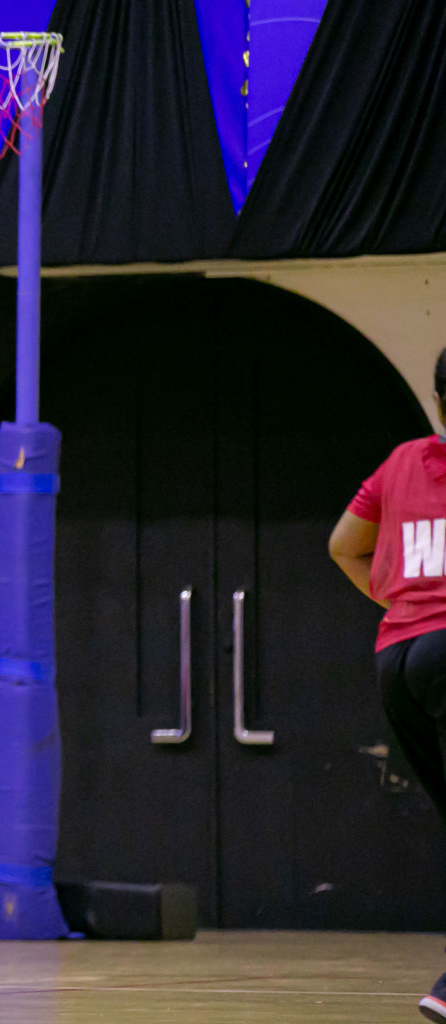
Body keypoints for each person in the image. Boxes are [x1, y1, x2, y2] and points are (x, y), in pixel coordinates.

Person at [329, 347, 446, 1023]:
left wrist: (402, 603)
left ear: (437, 400)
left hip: (398, 656)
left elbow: (344, 544)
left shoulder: (401, 460)